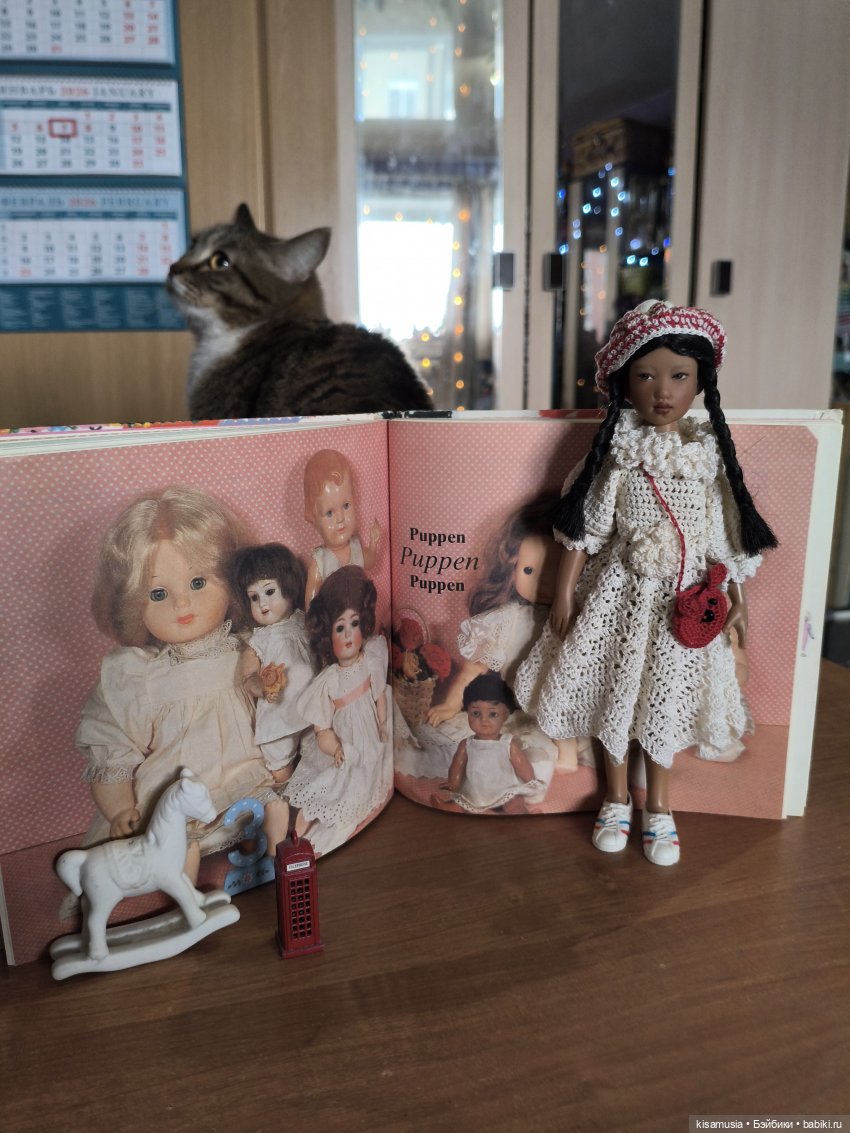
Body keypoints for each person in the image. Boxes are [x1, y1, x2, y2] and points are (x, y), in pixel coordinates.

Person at [514, 300, 777, 865]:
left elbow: (722, 540)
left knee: (665, 701)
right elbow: (585, 530)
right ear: (624, 384)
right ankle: (614, 798)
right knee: (615, 696)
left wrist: (737, 599)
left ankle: (659, 805)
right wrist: (565, 593)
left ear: (701, 382)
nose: (663, 391)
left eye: (679, 376)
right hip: (619, 597)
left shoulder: (707, 460)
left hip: (684, 602)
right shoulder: (619, 456)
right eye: (646, 376)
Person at [75, 486, 279, 881]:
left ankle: (275, 858)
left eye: (198, 583)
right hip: (180, 799)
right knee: (177, 845)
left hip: (250, 781)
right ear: (132, 603)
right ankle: (182, 895)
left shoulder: (249, 649)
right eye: (158, 593)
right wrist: (119, 810)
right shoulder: (140, 676)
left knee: (279, 808)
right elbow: (112, 747)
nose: (181, 604)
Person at [281, 565, 393, 856]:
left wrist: (383, 723)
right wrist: (335, 748)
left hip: (371, 732)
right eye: (340, 628)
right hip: (345, 739)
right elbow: (322, 729)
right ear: (327, 635)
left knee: (371, 769)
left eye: (354, 624)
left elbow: (379, 695)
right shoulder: (328, 680)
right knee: (333, 783)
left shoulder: (371, 658)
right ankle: (299, 830)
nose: (348, 635)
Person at [228, 542, 317, 853]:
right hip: (279, 718)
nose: (263, 604)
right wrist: (261, 686)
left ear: (289, 588)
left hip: (312, 712)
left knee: (315, 760)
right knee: (281, 771)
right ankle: (281, 818)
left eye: (269, 592)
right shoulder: (259, 639)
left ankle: (306, 812)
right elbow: (247, 677)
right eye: (254, 597)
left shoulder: (302, 621)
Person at [433, 672, 544, 813]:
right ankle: (451, 807)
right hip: (476, 791)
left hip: (504, 789)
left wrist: (530, 780)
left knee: (515, 802)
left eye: (492, 714)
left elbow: (521, 764)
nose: (484, 720)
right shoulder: (467, 744)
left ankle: (523, 814)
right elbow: (458, 765)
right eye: (476, 713)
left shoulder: (507, 743)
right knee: (463, 801)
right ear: (467, 713)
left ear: (505, 715)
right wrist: (453, 782)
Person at [302, 449, 381, 608]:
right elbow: (311, 602)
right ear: (313, 518)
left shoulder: (355, 547)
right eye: (329, 513)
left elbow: (370, 562)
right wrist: (315, 619)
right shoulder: (320, 562)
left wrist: (374, 543)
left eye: (346, 506)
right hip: (335, 618)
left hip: (360, 612)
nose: (340, 519)